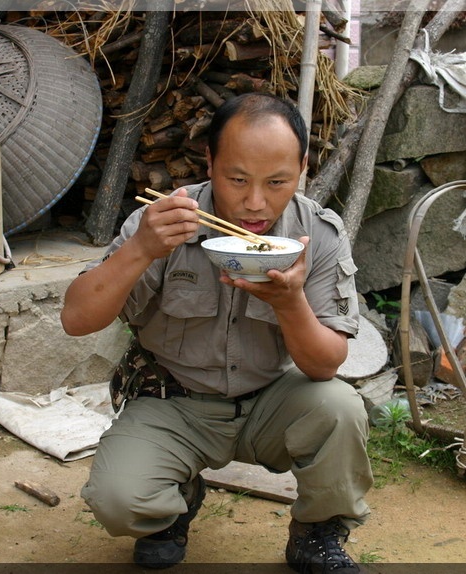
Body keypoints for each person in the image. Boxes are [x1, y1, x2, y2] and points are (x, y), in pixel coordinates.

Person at [61, 92, 373, 572]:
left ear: (303, 167)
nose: (255, 202)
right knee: (118, 499)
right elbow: (76, 319)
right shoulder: (166, 222)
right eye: (237, 179)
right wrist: (141, 249)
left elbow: (324, 363)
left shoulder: (318, 233)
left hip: (271, 401)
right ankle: (174, 506)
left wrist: (290, 303)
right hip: (173, 401)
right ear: (209, 161)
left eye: (277, 182)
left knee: (339, 407)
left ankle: (316, 532)